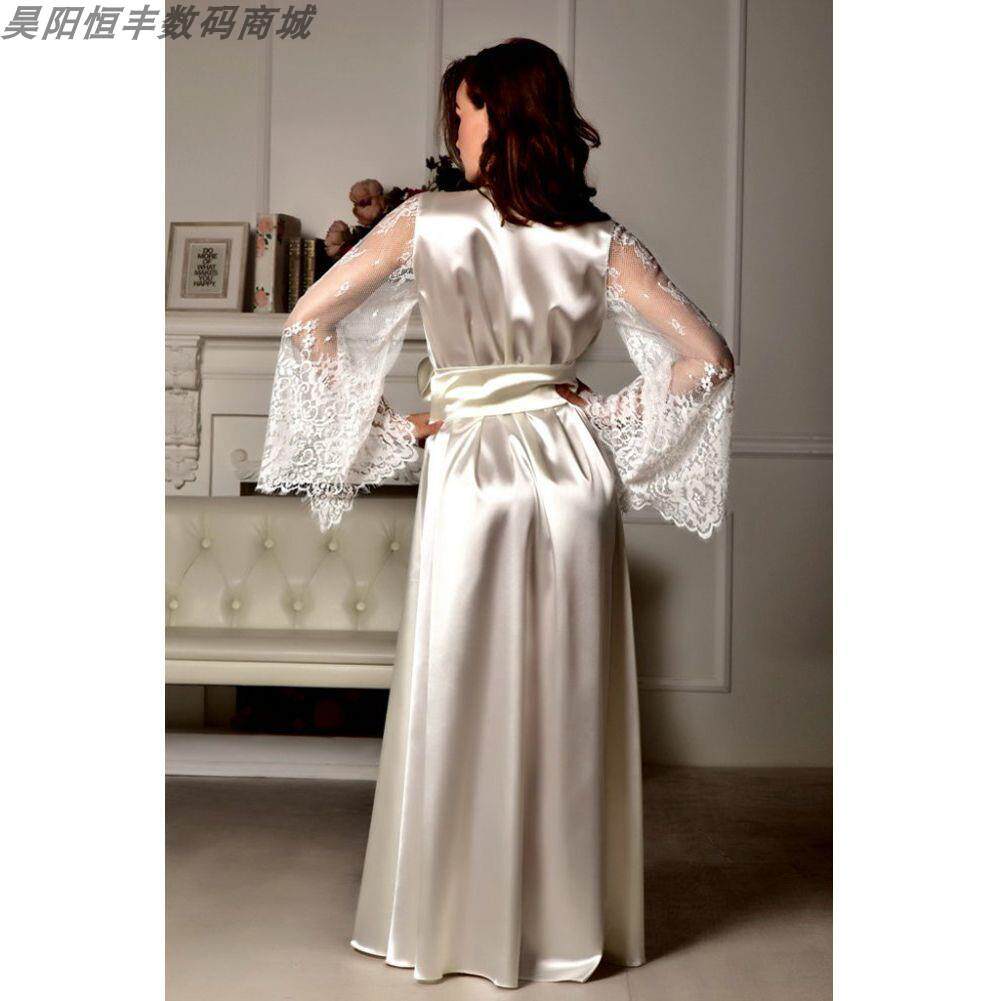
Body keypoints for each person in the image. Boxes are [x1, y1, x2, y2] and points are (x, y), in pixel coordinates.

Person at [256, 36, 735, 990]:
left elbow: (307, 320)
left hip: (472, 467)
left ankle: (448, 918)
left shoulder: (424, 224)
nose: (455, 132)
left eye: (464, 113)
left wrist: (395, 429)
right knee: (566, 695)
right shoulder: (601, 240)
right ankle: (563, 925)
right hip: (569, 473)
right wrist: (600, 416)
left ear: (503, 118)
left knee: (458, 689)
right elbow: (707, 359)